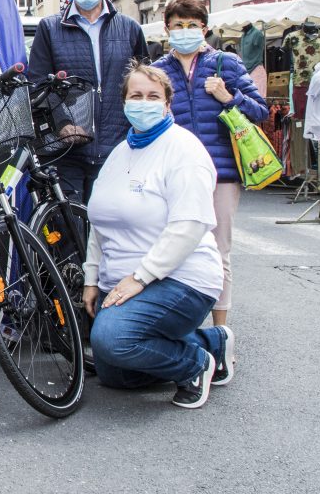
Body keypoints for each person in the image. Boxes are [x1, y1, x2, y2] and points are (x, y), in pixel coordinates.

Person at [84, 63, 234, 409]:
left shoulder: (184, 150)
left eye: (153, 96)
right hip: (126, 279)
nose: (143, 102)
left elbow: (190, 226)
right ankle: (211, 343)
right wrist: (92, 278)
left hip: (181, 278)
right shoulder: (121, 152)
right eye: (135, 96)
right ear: (124, 103)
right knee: (115, 374)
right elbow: (99, 221)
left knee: (112, 339)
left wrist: (141, 277)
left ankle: (195, 365)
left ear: (168, 104)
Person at [153, 0, 268, 328]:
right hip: (174, 172)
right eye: (178, 26)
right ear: (167, 29)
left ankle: (221, 331)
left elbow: (259, 111)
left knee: (219, 252)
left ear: (204, 28)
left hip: (221, 173)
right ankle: (179, 326)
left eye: (192, 25)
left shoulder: (226, 64)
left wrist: (228, 97)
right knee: (172, 248)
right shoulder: (158, 70)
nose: (185, 31)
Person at [28, 0, 147, 203]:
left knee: (111, 229)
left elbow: (145, 83)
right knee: (70, 229)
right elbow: (38, 85)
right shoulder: (49, 28)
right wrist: (62, 123)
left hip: (119, 148)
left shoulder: (129, 28)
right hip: (67, 150)